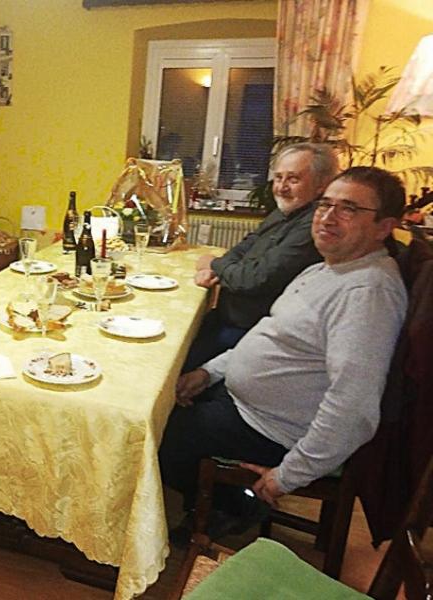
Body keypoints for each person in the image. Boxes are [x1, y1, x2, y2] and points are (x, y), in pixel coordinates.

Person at [160, 167, 408, 538]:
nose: (327, 216)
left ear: (383, 227)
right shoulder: (329, 269)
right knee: (161, 399)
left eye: (349, 209)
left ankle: (232, 505)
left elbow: (354, 407)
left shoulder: (367, 294)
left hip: (272, 429)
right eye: (326, 204)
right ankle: (215, 497)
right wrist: (208, 372)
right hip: (248, 406)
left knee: (156, 432)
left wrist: (288, 475)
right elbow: (271, 336)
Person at [184, 143, 339, 370]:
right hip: (228, 317)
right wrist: (219, 268)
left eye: (293, 179)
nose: (281, 187)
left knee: (172, 363)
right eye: (278, 178)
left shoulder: (313, 226)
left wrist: (214, 264)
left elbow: (255, 279)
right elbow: (244, 246)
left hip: (248, 332)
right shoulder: (284, 212)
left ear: (321, 185)